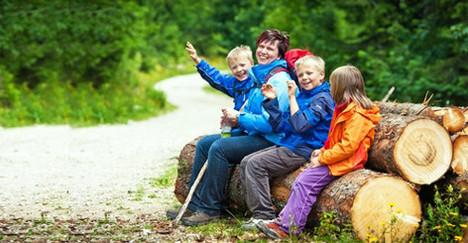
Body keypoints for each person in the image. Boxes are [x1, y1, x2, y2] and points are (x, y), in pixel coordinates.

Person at [166, 29, 292, 226]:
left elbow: (271, 124)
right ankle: (194, 204)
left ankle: (210, 209)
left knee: (220, 148)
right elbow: (233, 90)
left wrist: (239, 118)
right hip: (254, 132)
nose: (264, 51)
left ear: (279, 54)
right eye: (261, 46)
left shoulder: (279, 80)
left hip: (274, 139)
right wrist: (234, 119)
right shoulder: (260, 74)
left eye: (270, 48)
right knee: (205, 144)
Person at [256, 65, 381, 239]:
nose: (331, 88)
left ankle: (288, 229)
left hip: (347, 162)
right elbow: (334, 138)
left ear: (341, 87)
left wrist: (322, 159)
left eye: (333, 84)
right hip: (335, 158)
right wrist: (321, 150)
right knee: (301, 180)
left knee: (305, 183)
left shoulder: (358, 115)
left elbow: (348, 147)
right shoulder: (345, 109)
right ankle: (283, 221)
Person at [239, 55, 334, 230]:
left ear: (321, 75)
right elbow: (281, 125)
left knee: (255, 164)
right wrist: (272, 101)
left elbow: (301, 125)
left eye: (309, 73)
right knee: (246, 161)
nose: (304, 78)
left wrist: (291, 98)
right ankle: (257, 212)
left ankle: (264, 217)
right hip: (289, 143)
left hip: (304, 149)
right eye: (300, 74)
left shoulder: (322, 99)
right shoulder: (303, 96)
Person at [185, 42, 255, 111]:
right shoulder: (233, 84)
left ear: (252, 63)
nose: (239, 69)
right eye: (234, 67)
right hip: (240, 120)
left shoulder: (259, 81)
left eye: (242, 65)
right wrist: (197, 60)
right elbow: (217, 77)